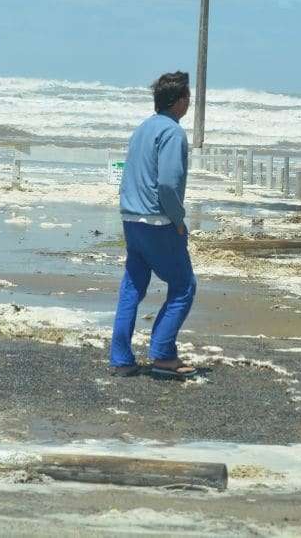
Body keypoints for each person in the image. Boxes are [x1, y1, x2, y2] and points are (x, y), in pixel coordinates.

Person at [110, 71, 197, 378]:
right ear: (179, 101)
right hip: (157, 221)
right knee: (184, 285)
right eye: (189, 97)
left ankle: (121, 358)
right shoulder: (172, 132)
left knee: (132, 287)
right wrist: (178, 221)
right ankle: (162, 353)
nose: (190, 103)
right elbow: (168, 184)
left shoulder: (142, 129)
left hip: (131, 219)